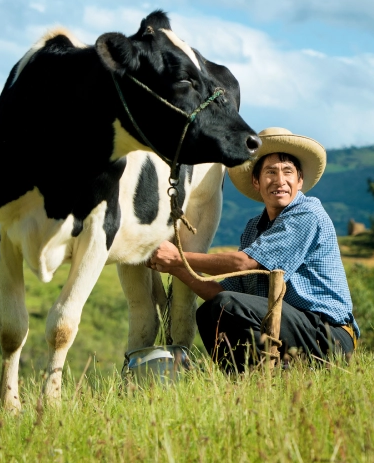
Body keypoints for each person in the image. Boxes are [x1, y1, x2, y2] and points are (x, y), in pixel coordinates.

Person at [147, 127, 358, 371]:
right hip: (286, 326)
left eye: (288, 172)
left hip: (328, 334)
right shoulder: (253, 230)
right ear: (256, 182)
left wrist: (178, 256)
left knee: (227, 305)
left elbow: (245, 263)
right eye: (270, 172)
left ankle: (278, 372)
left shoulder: (308, 213)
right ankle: (251, 380)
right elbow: (219, 292)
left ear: (299, 181)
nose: (280, 181)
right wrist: (174, 266)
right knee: (209, 312)